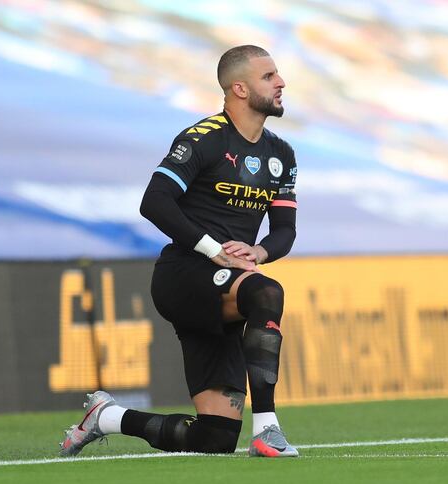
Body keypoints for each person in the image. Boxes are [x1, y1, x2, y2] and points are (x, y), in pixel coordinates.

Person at [59, 45, 299, 458]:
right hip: (185, 274)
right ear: (239, 89)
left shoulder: (281, 155)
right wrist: (212, 250)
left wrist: (257, 252)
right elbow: (154, 201)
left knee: (215, 439)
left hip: (227, 283)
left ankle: (106, 417)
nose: (280, 83)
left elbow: (285, 231)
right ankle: (268, 429)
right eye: (269, 76)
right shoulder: (202, 139)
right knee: (266, 293)